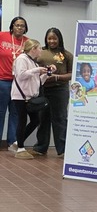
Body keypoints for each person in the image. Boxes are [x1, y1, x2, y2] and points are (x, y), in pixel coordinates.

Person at [35, 28, 73, 157]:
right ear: (46, 39)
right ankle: (40, 148)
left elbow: (71, 74)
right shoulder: (39, 53)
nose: (52, 41)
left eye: (54, 38)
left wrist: (57, 77)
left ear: (59, 39)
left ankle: (62, 150)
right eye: (49, 38)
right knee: (42, 119)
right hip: (42, 90)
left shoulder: (67, 55)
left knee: (60, 119)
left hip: (60, 90)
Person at [11, 39, 50, 158]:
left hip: (29, 96)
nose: (41, 51)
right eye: (39, 48)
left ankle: (18, 142)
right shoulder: (22, 59)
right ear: (33, 49)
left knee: (35, 120)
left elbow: (37, 81)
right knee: (22, 120)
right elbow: (21, 75)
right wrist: (37, 70)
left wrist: (47, 74)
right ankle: (20, 148)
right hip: (20, 96)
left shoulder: (33, 62)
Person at [0, 16, 28, 148]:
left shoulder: (27, 42)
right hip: (2, 81)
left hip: (19, 83)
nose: (19, 28)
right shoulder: (2, 36)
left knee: (15, 113)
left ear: (25, 28)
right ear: (12, 26)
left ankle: (13, 142)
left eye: (22, 26)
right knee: (0, 112)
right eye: (17, 25)